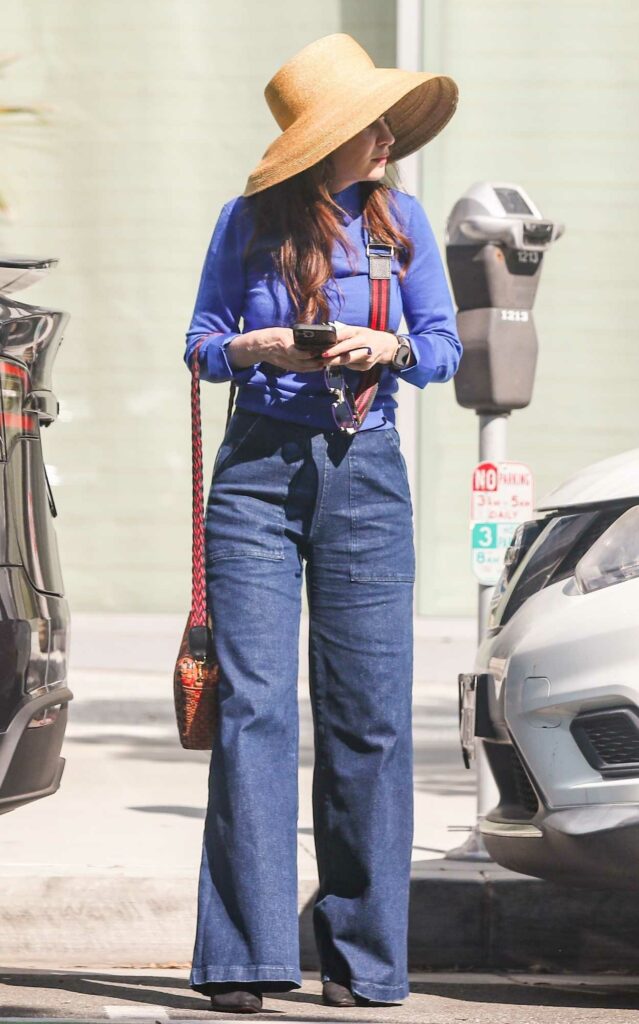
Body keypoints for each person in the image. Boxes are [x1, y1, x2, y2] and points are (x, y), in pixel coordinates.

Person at [183, 32, 461, 1016]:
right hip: (256, 470)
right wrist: (253, 344)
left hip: (366, 475)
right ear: (328, 137)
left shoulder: (405, 223)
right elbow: (200, 343)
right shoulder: (248, 220)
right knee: (256, 714)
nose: (386, 135)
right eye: (368, 123)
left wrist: (385, 341)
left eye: (386, 119)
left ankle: (363, 961)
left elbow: (443, 349)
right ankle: (245, 960)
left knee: (368, 721)